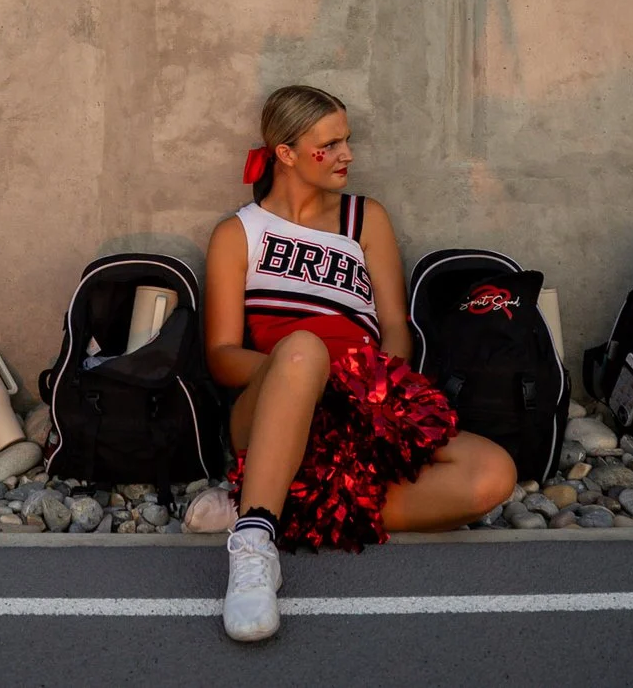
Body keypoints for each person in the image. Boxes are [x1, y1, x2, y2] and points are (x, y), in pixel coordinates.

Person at [207, 86, 515, 644]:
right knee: (304, 348)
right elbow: (222, 357)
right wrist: (303, 377)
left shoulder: (364, 218)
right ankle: (253, 547)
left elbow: (395, 326)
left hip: (365, 399)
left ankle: (286, 505)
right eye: (331, 144)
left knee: (494, 474)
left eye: (348, 139)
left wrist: (374, 389)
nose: (348, 153)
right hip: (275, 399)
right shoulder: (239, 233)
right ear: (287, 153)